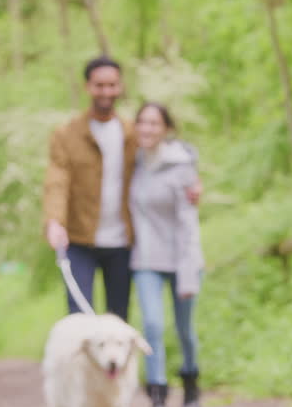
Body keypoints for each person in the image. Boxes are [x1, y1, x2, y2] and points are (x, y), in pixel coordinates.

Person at [42, 56, 200, 321]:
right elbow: (57, 179)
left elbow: (167, 154)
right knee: (80, 317)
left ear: (120, 87)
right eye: (100, 85)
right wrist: (54, 221)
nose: (106, 91)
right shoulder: (66, 134)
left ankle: (115, 365)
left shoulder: (132, 133)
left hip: (122, 243)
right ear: (88, 87)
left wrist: (194, 181)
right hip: (79, 239)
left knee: (118, 321)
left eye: (112, 85)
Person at [128, 102, 204, 407]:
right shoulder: (133, 163)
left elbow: (188, 225)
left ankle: (191, 386)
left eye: (154, 124)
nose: (147, 129)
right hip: (145, 259)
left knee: (184, 330)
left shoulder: (182, 167)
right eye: (142, 122)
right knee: (153, 327)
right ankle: (157, 401)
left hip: (181, 260)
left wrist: (188, 275)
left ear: (166, 129)